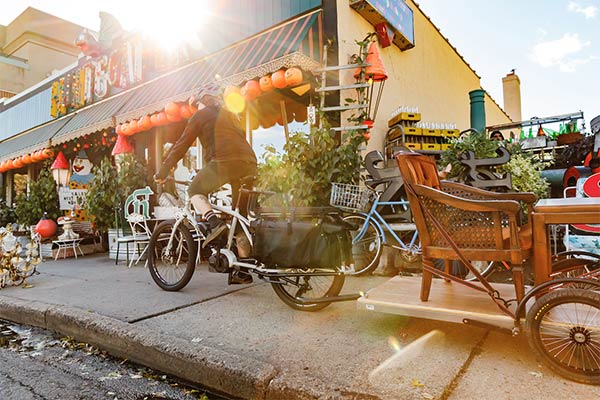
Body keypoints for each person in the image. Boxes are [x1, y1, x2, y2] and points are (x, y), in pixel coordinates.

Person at [154, 83, 257, 283]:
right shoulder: (230, 116)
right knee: (239, 219)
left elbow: (181, 145)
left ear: (202, 101)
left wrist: (163, 171)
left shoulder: (201, 115)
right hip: (250, 165)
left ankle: (213, 223)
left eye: (196, 104)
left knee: (195, 189)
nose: (195, 108)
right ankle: (242, 272)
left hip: (225, 161)